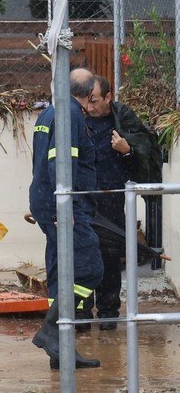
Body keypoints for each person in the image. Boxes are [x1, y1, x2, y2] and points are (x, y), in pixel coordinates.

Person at [28, 68, 104, 369]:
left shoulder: (50, 113)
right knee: (90, 269)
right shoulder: (71, 114)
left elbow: (42, 162)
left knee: (62, 274)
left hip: (50, 203)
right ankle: (52, 332)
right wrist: (66, 207)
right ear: (87, 95)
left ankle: (60, 348)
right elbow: (60, 162)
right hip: (65, 206)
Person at [78, 75, 154, 331]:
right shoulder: (78, 118)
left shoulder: (123, 118)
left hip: (112, 195)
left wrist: (127, 150)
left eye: (95, 101)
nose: (90, 107)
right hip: (84, 196)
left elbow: (143, 153)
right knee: (83, 254)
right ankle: (82, 312)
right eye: (87, 101)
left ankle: (109, 311)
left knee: (110, 254)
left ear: (108, 98)